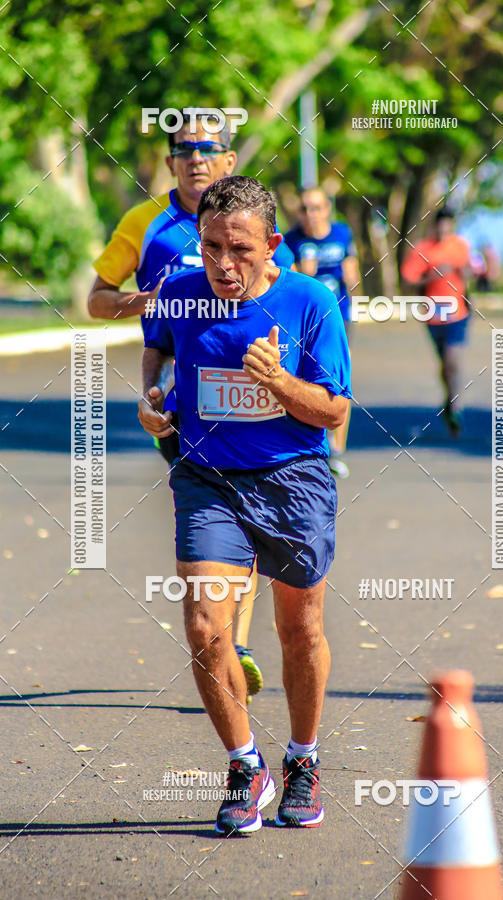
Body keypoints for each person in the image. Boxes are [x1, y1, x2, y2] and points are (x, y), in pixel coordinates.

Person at [138, 175, 351, 834]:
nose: (223, 265)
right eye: (210, 248)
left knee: (300, 630)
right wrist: (151, 401)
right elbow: (158, 353)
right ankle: (243, 764)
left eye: (239, 250)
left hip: (293, 479)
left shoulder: (309, 301)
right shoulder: (179, 294)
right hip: (208, 479)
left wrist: (280, 382)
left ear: (273, 245)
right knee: (206, 628)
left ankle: (304, 759)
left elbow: (335, 406)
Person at [88, 111, 292, 698]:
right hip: (182, 404)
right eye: (183, 149)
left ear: (230, 159)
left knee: (246, 512)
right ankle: (224, 634)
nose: (195, 157)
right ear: (169, 160)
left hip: (255, 395)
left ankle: (238, 643)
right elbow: (97, 300)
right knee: (216, 512)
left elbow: (291, 297)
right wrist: (154, 300)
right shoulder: (144, 222)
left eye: (208, 147)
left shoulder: (251, 216)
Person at [285, 187, 360, 479]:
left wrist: (358, 295)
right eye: (304, 209)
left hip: (338, 318)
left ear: (327, 209)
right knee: (306, 380)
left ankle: (337, 450)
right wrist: (306, 273)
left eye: (316, 208)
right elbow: (292, 284)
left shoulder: (341, 234)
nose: (310, 215)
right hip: (306, 320)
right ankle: (311, 445)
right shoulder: (292, 241)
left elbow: (351, 272)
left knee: (340, 380)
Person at [402, 207, 471, 436]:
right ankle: (449, 398)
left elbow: (471, 273)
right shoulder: (423, 249)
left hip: (458, 313)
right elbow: (409, 281)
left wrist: (473, 271)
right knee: (444, 363)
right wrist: (435, 274)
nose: (444, 228)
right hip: (433, 314)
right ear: (435, 226)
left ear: (451, 226)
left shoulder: (460, 247)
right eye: (440, 224)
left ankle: (455, 406)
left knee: (453, 359)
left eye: (448, 224)